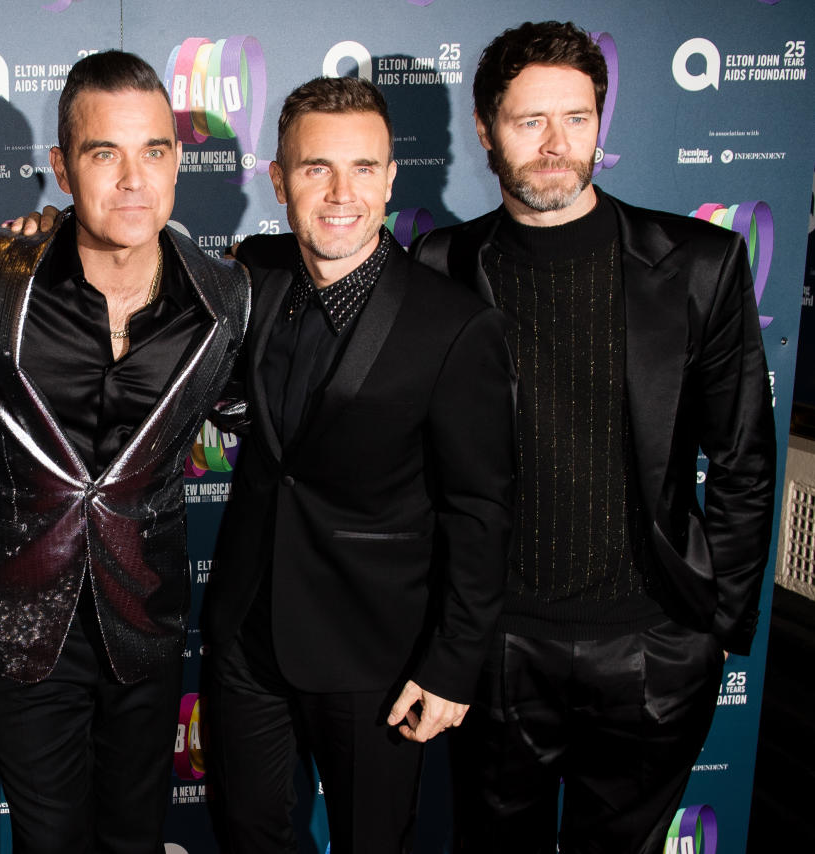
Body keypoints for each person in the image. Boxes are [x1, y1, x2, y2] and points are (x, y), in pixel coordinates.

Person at [409, 21, 776, 854]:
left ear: (600, 123)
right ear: (484, 129)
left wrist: (711, 627)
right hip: (496, 645)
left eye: (576, 118)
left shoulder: (700, 263)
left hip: (654, 645)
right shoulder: (437, 264)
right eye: (528, 121)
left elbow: (746, 460)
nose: (554, 145)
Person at [200, 76, 515, 853]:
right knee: (248, 836)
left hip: (376, 655)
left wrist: (451, 665)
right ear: (278, 180)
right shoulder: (255, 272)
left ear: (389, 178)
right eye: (316, 169)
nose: (342, 193)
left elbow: (480, 511)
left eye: (363, 169)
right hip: (246, 636)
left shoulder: (453, 325)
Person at [0, 50, 248, 854]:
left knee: (133, 838)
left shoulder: (226, 300)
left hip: (143, 618)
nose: (132, 179)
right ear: (59, 167)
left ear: (178, 161)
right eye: (102, 153)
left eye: (153, 150)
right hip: (19, 622)